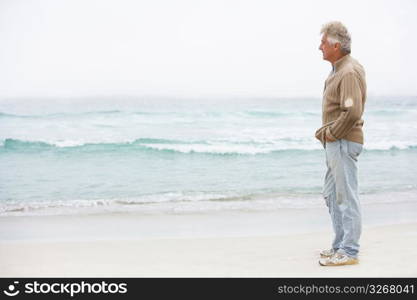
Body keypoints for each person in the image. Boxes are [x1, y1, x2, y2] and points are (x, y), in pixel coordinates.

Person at [315, 21, 367, 266]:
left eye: (323, 42)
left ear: (336, 45)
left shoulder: (348, 71)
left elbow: (352, 112)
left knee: (346, 196)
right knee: (331, 193)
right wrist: (327, 134)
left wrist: (331, 133)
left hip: (343, 142)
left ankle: (349, 251)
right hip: (336, 142)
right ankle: (339, 245)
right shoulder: (337, 68)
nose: (319, 47)